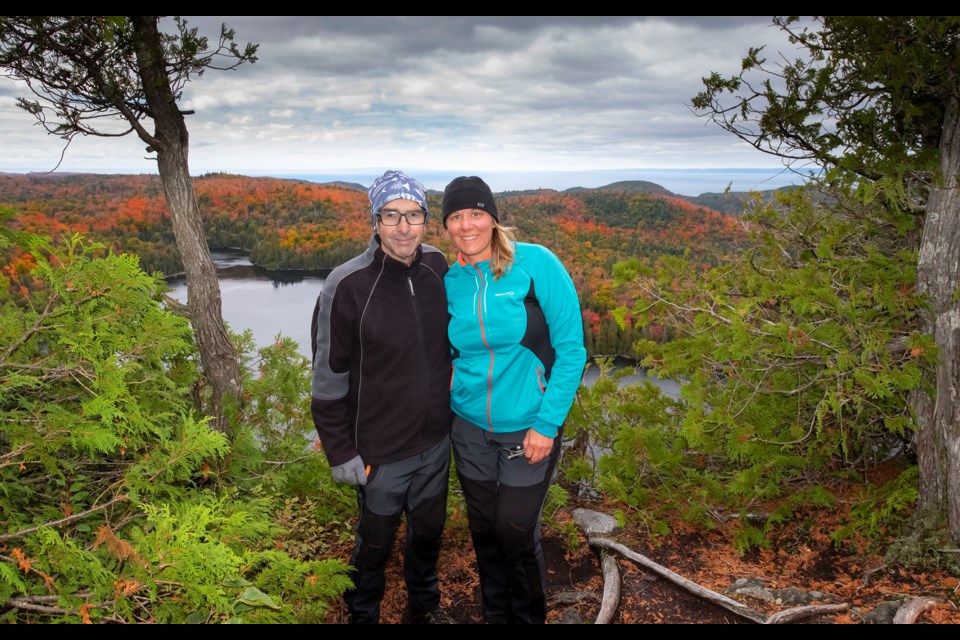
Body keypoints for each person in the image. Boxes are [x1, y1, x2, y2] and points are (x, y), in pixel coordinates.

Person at [440, 175, 587, 624]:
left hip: (528, 430)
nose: (467, 225)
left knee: (515, 532)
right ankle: (494, 614)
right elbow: (449, 351)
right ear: (447, 226)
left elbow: (572, 350)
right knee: (485, 532)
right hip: (468, 431)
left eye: (476, 213)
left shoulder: (535, 264)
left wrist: (546, 425)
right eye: (456, 216)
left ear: (493, 219)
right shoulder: (451, 281)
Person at [310, 169, 454, 624]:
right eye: (392, 215)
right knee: (374, 542)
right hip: (378, 451)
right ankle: (362, 612)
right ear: (375, 220)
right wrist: (341, 451)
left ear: (426, 220)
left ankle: (424, 606)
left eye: (413, 214)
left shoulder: (437, 267)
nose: (404, 226)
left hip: (435, 441)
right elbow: (328, 377)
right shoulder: (346, 285)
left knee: (428, 533)